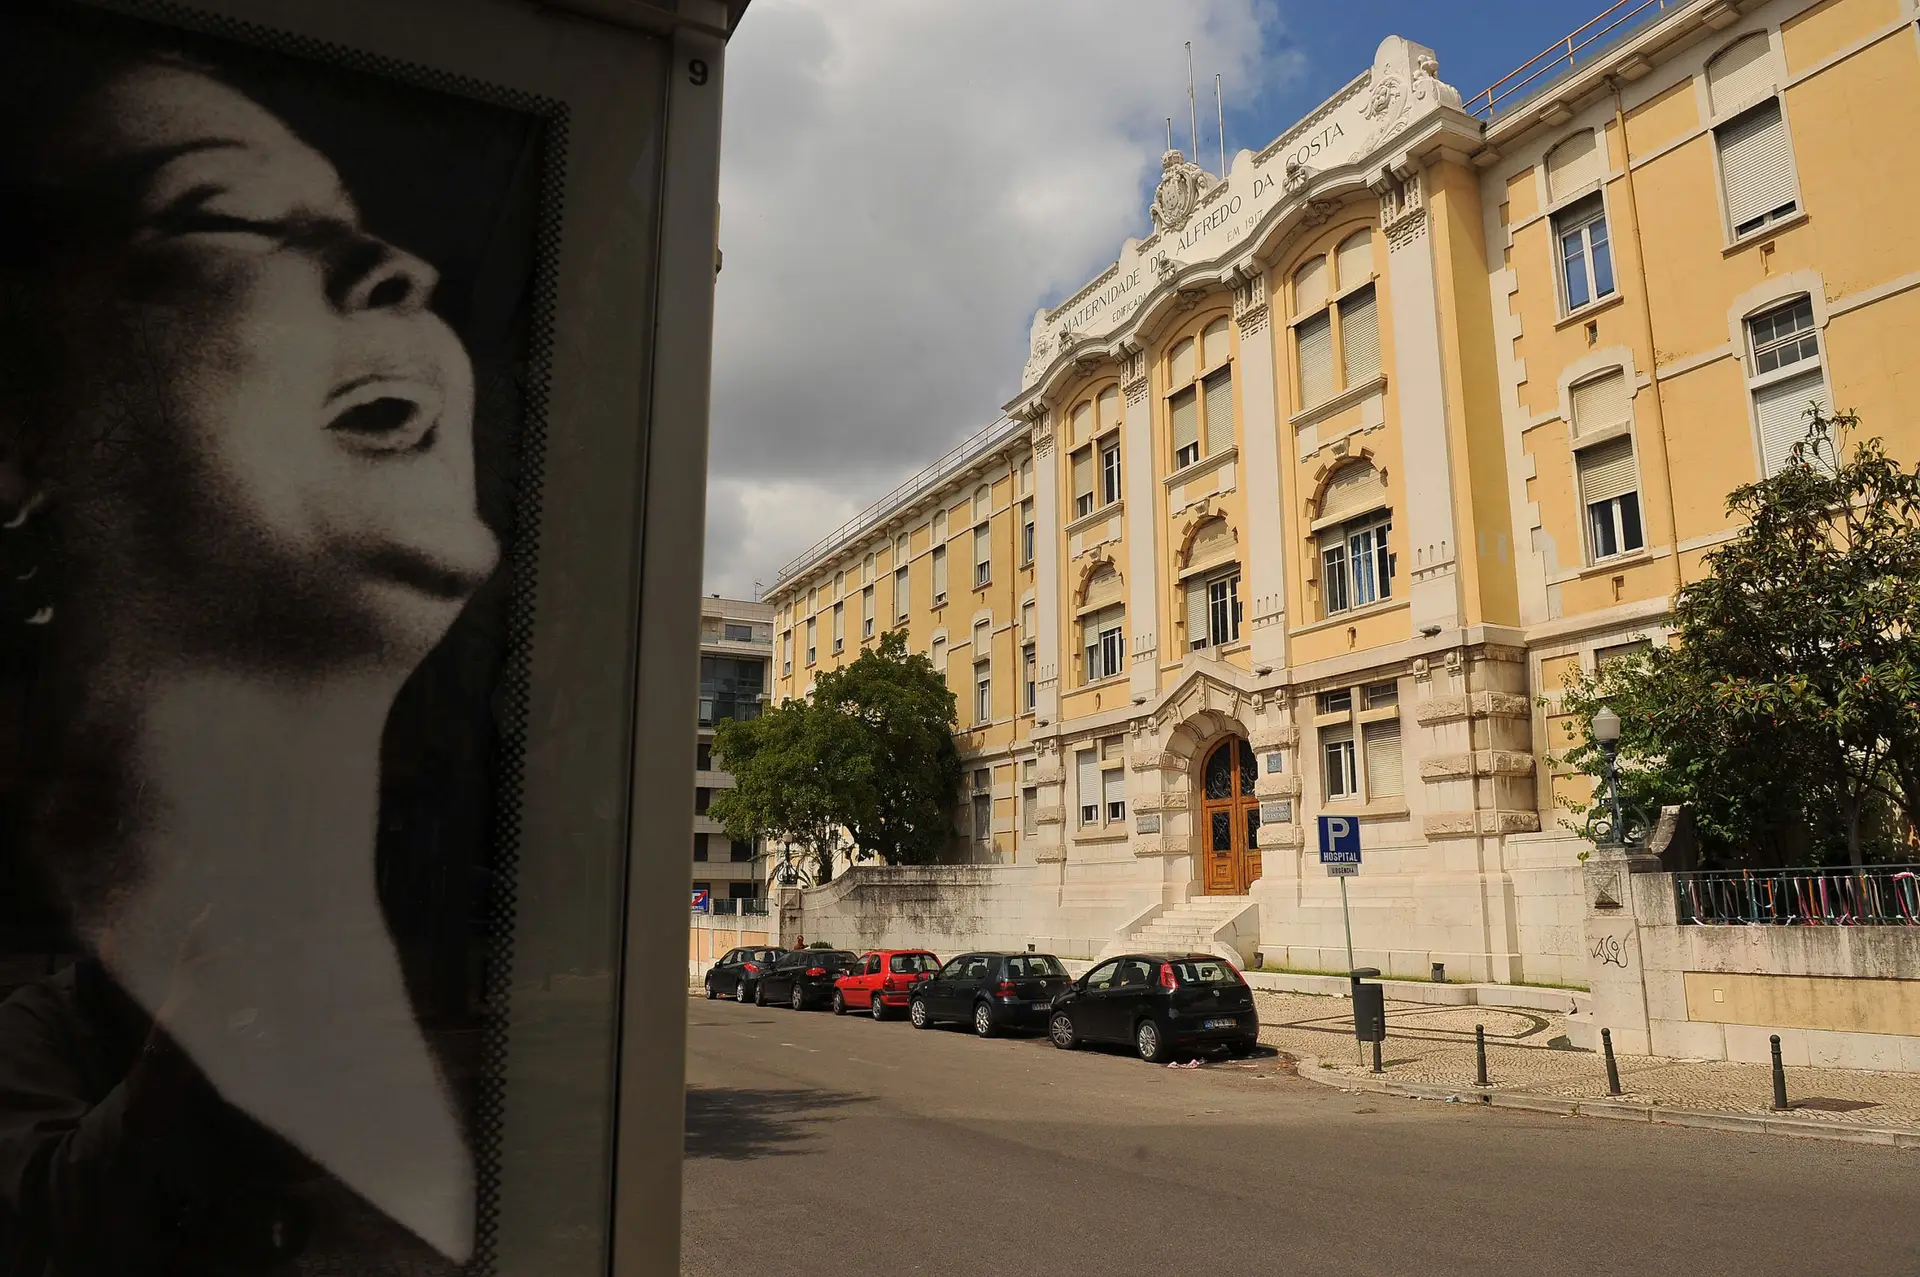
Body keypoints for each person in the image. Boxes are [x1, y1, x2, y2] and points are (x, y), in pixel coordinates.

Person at [0, 12, 497, 1270]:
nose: (396, 269)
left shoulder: (491, 1012)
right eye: (221, 215)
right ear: (23, 439)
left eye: (358, 221)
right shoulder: (42, 1022)